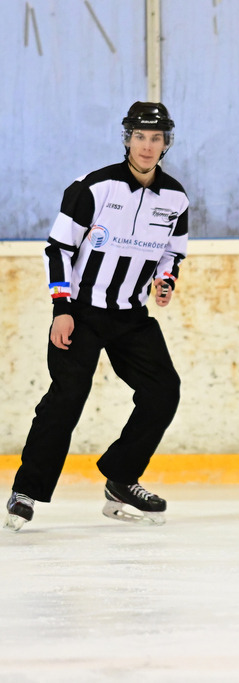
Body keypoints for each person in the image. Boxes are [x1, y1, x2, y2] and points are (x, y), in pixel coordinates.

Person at [4, 102, 189, 532]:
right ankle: (25, 491)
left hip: (130, 315)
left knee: (164, 391)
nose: (147, 146)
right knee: (67, 397)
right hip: (81, 313)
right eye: (140, 136)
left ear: (166, 143)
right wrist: (61, 309)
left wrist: (166, 279)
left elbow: (172, 251)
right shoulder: (94, 187)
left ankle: (121, 480)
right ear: (127, 138)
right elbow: (59, 248)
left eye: (156, 138)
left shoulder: (176, 197)